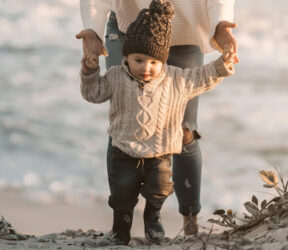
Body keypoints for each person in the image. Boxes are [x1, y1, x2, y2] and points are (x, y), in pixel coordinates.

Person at [79, 0, 236, 245]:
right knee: (124, 119)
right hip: (126, 24)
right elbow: (93, 91)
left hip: (186, 28)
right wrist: (92, 28)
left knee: (184, 130)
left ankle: (190, 221)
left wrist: (221, 23)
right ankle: (120, 223)